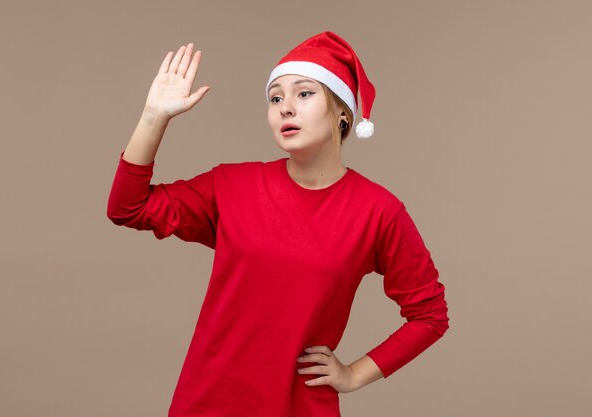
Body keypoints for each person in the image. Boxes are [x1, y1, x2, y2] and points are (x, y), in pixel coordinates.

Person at [107, 31, 449, 417]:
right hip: (208, 403)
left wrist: (354, 374)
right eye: (275, 98)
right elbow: (128, 207)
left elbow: (429, 315)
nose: (285, 107)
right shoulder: (232, 185)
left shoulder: (378, 211)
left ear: (342, 112)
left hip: (301, 406)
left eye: (303, 93)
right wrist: (154, 116)